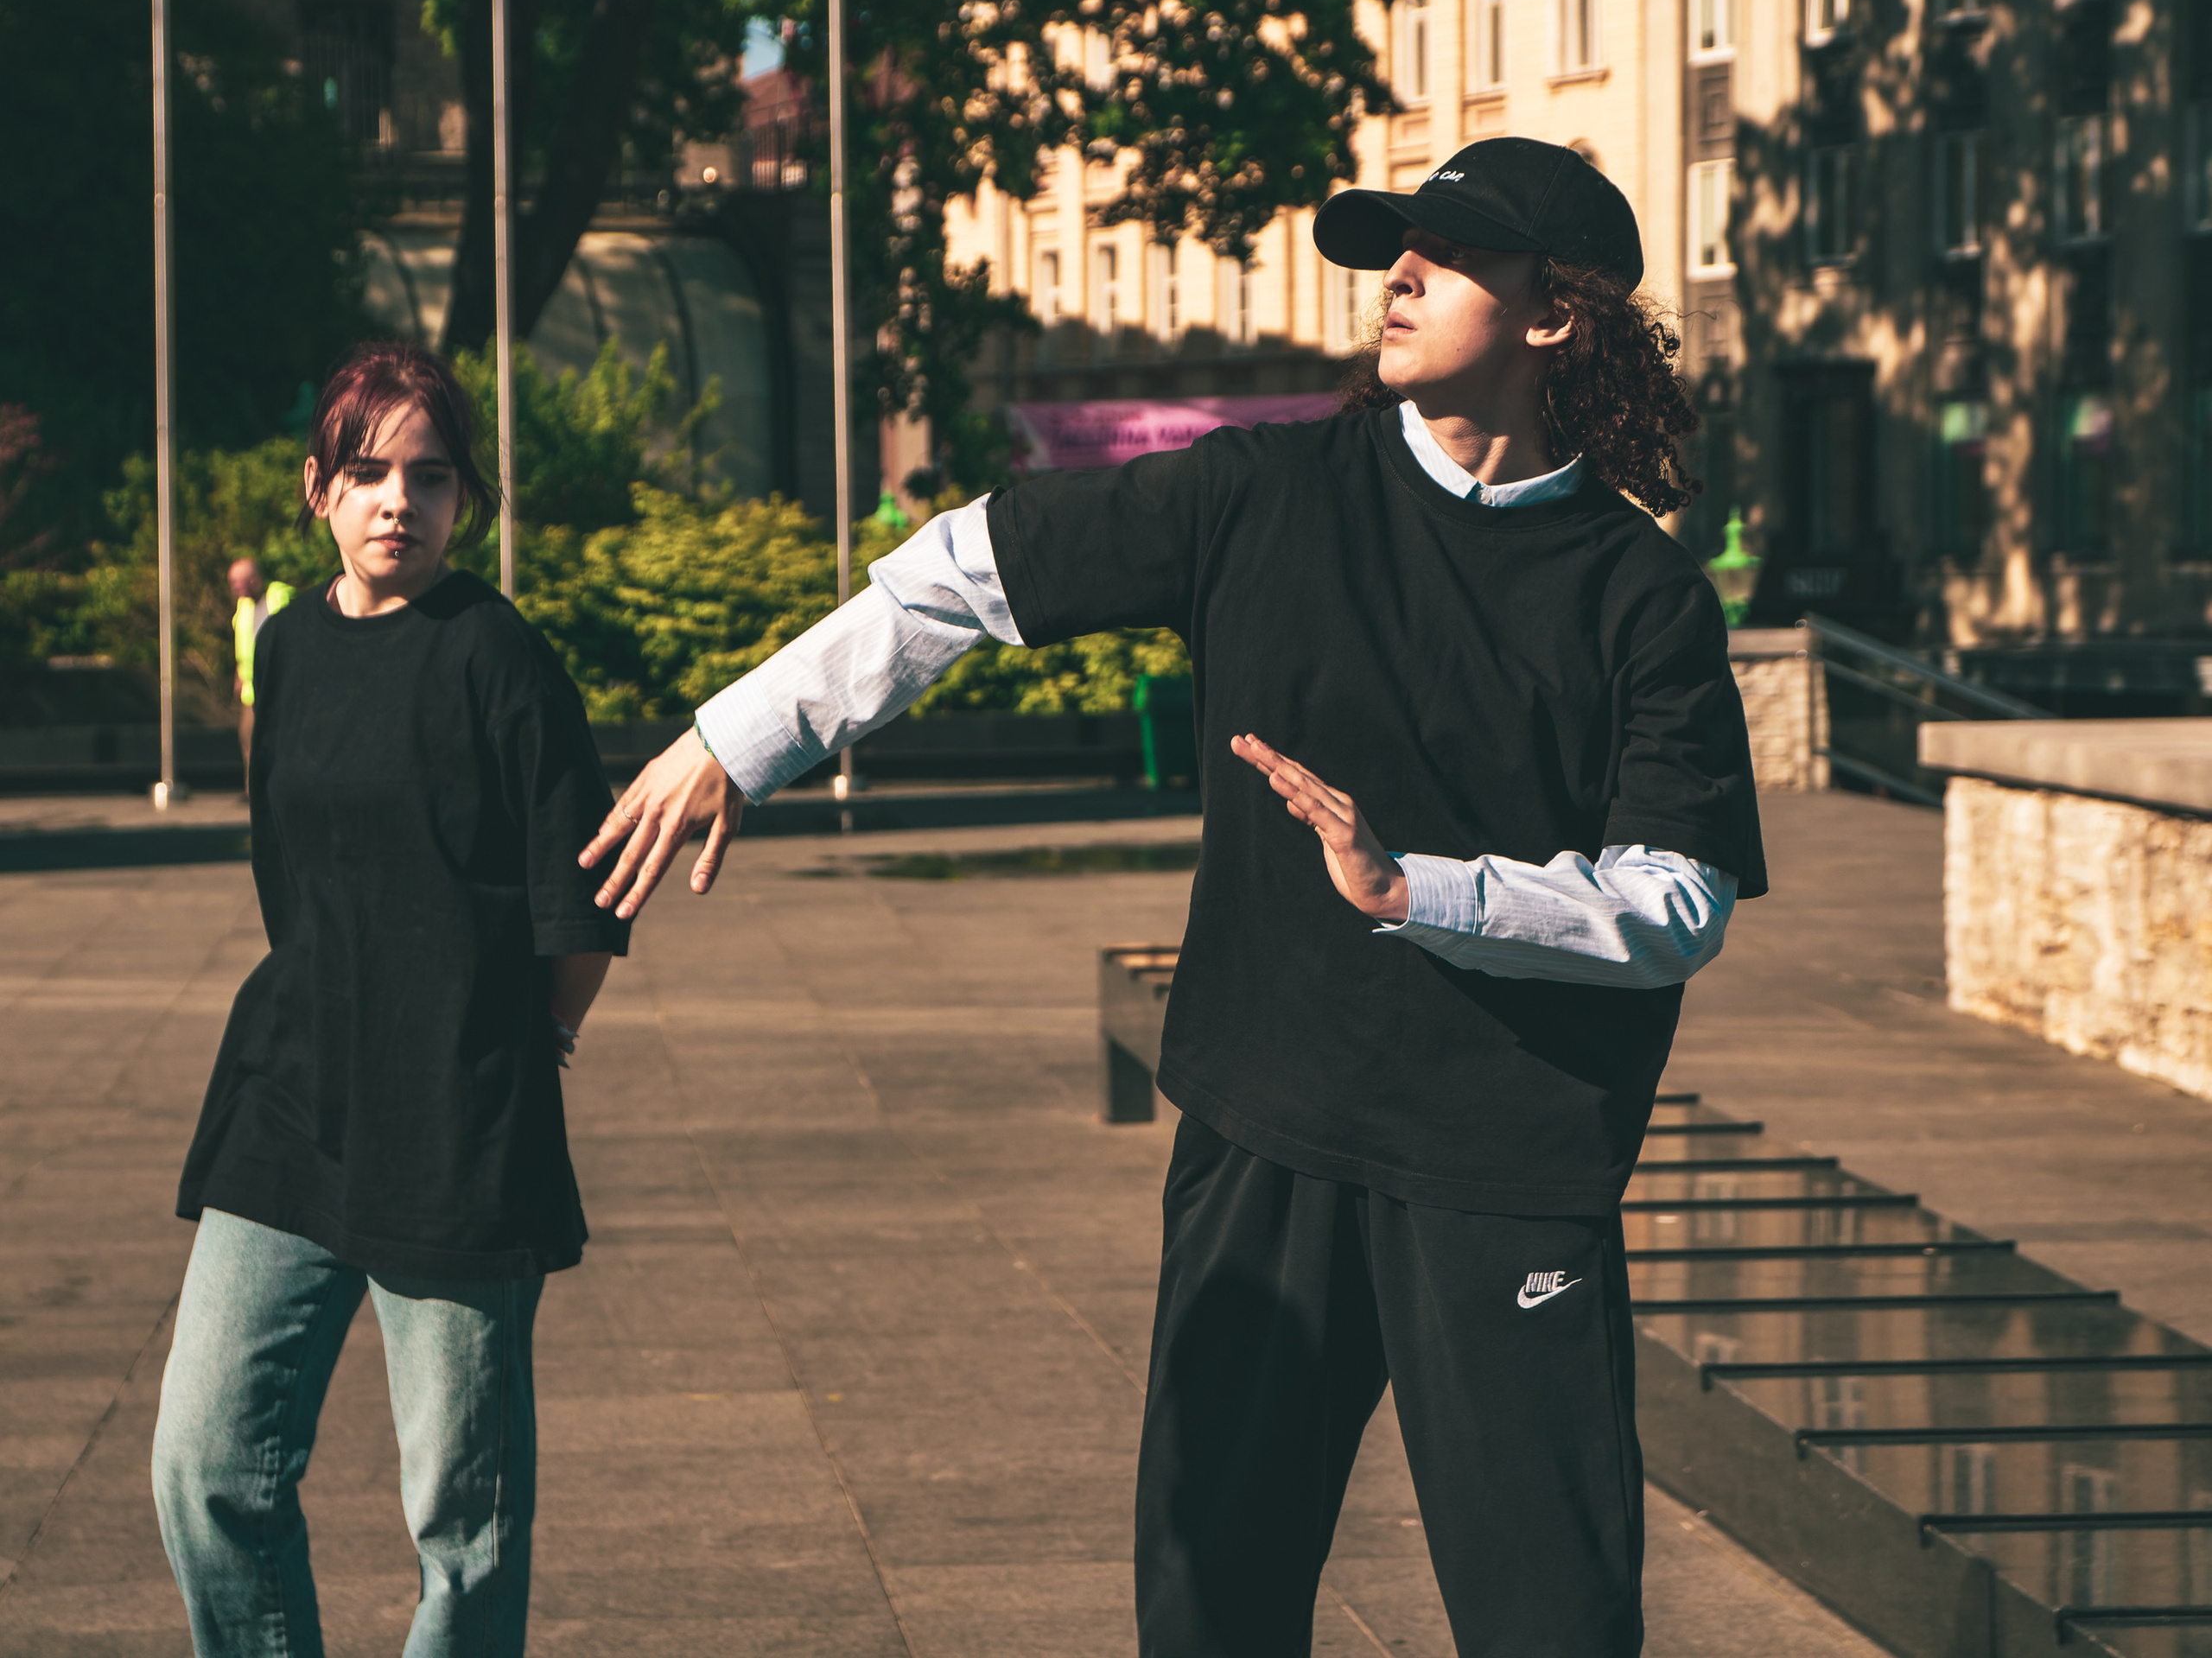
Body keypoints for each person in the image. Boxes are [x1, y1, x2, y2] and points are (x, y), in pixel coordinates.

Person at [585, 137, 1765, 1656]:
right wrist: (732, 740)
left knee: (1558, 1622)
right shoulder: (1262, 494)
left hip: (1509, 1167)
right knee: (1210, 1608)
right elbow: (960, 575)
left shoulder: (1641, 594)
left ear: (1556, 314)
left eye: (1448, 252)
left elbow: (1678, 900)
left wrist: (1426, 890)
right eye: (1391, 245)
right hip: (1265, 1130)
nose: (1396, 276)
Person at [152, 343, 630, 1658]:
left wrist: (538, 1037)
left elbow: (582, 898)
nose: (396, 503)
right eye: (366, 473)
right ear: (317, 488)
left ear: (465, 500)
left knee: (461, 1535)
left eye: (428, 476)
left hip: (455, 1126)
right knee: (204, 1469)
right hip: (290, 1102)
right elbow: (285, 874)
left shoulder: (499, 658)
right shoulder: (292, 650)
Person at [227, 557, 293, 781]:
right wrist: (239, 674)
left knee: (280, 736)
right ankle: (253, 787)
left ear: (254, 580)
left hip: (281, 684)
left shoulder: (278, 597)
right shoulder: (243, 606)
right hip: (253, 687)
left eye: (239, 581)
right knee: (248, 734)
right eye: (232, 582)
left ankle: (279, 782)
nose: (235, 587)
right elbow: (243, 643)